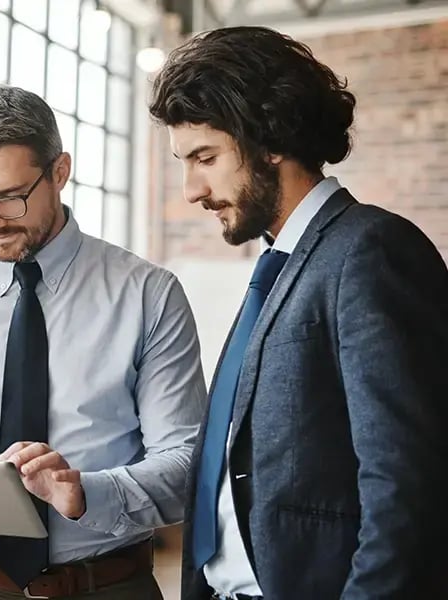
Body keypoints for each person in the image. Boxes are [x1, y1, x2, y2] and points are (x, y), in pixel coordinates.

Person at [149, 26, 448, 600]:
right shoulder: (278, 265)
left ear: (271, 139)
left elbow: (407, 488)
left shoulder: (370, 251)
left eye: (205, 157)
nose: (191, 189)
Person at [0, 83, 208, 599]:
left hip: (109, 586)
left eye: (10, 198)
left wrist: (86, 493)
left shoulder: (148, 295)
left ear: (59, 172)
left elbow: (188, 460)